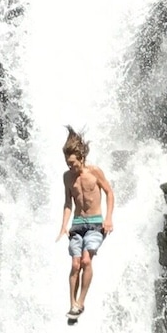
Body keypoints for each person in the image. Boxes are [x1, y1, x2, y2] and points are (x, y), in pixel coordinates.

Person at [56, 126, 114, 319]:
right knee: (74, 264)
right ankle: (72, 304)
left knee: (86, 260)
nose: (70, 167)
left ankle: (81, 302)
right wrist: (63, 225)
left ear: (81, 158)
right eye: (67, 164)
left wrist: (108, 219)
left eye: (73, 163)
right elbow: (67, 203)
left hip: (96, 222)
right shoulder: (67, 177)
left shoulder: (95, 172)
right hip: (77, 223)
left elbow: (109, 192)